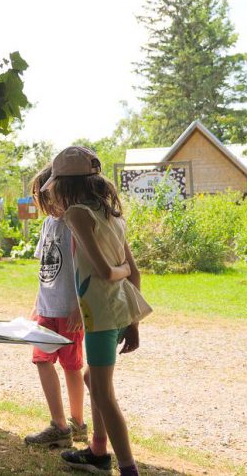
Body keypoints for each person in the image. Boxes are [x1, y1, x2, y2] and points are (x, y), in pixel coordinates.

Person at [42, 146, 152, 476]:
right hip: (119, 311)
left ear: (65, 185)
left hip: (101, 315)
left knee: (104, 394)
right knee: (92, 378)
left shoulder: (77, 214)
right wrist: (133, 323)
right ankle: (97, 451)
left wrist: (115, 270)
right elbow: (136, 273)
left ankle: (125, 467)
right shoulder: (113, 216)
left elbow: (109, 271)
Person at [24, 165, 87, 448]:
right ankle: (59, 425)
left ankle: (78, 424)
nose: (47, 205)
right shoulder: (48, 224)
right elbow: (45, 267)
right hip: (47, 310)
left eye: (49, 197)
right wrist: (37, 305)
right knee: (41, 361)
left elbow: (85, 268)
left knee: (72, 367)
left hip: (70, 312)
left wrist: (79, 306)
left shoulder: (76, 223)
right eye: (42, 201)